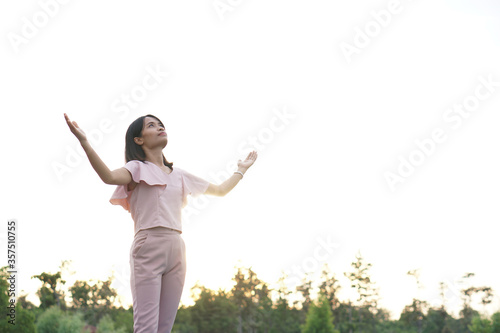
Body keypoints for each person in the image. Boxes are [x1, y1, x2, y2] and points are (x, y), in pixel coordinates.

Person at [64, 113, 258, 332]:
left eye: (160, 124)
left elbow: (221, 191)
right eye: (151, 125)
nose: (159, 127)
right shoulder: (136, 168)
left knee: (164, 328)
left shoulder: (180, 175)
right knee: (146, 327)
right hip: (149, 244)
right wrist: (85, 142)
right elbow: (108, 176)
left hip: (177, 247)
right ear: (139, 139)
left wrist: (241, 169)